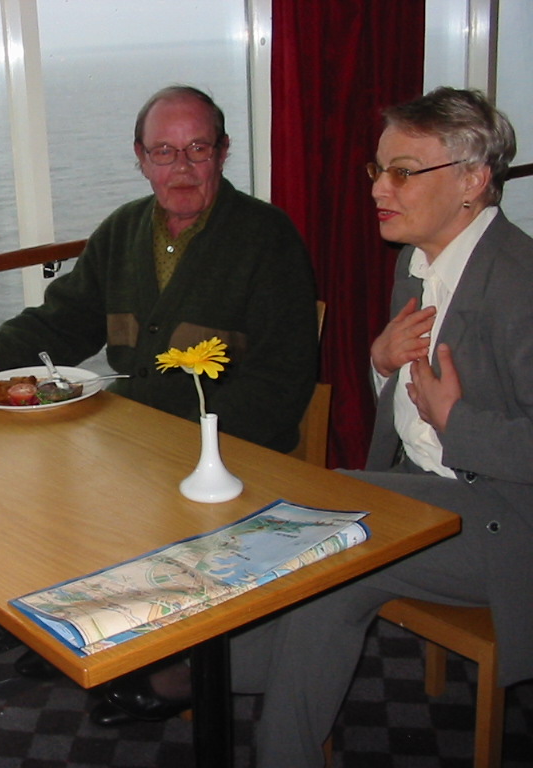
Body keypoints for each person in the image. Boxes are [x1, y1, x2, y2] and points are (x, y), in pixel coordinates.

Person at [0, 84, 319, 724]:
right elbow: (62, 321)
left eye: (197, 149)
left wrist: (181, 439)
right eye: (164, 152)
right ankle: (94, 624)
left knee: (95, 478)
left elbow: (282, 380)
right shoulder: (122, 232)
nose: (181, 168)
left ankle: (178, 666)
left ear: (223, 152)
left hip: (227, 451)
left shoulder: (266, 239)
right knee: (35, 478)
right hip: (133, 437)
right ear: (140, 158)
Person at [228, 86, 533, 766]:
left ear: (472, 181)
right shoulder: (416, 261)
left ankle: (191, 672)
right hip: (427, 487)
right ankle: (220, 689)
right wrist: (379, 362)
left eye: (403, 171)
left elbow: (463, 425)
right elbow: (407, 412)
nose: (377, 189)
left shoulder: (520, 285)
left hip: (511, 522)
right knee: (322, 565)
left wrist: (457, 421)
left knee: (323, 528)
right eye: (378, 169)